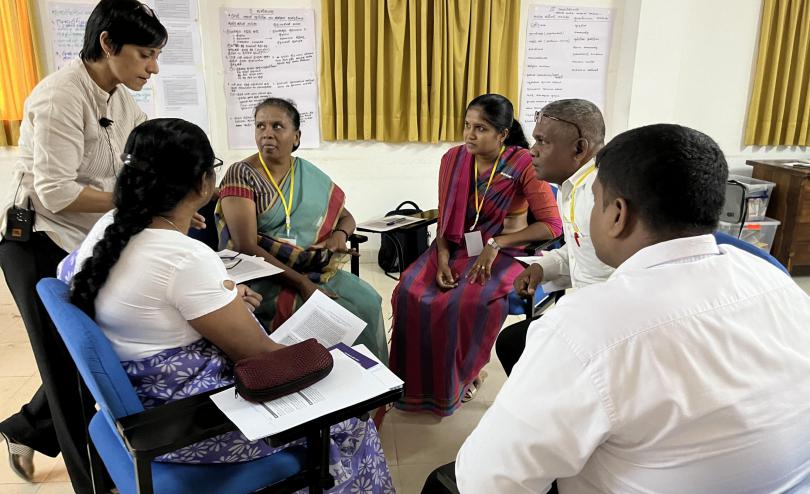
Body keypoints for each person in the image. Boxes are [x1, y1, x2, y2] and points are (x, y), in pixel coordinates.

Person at [452, 124, 810, 493]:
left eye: (597, 200)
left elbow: (487, 483)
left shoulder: (584, 329)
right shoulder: (772, 278)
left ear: (617, 214)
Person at [60, 118, 394, 492]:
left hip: (139, 401)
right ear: (204, 182)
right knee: (350, 422)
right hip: (186, 423)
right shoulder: (183, 256)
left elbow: (142, 293)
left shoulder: (110, 225)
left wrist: (222, 298)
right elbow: (264, 356)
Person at [0, 1, 166, 489]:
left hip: (84, 238)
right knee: (65, 370)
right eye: (145, 54)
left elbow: (143, 149)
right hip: (38, 244)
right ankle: (93, 482)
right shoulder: (60, 98)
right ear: (108, 44)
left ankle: (24, 429)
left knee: (90, 353)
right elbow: (56, 192)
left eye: (156, 55)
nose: (153, 68)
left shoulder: (119, 95)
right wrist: (138, 202)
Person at [388, 94, 563, 416]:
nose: (469, 135)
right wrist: (441, 257)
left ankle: (465, 376)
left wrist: (496, 244)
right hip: (455, 246)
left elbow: (551, 226)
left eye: (480, 128)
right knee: (408, 292)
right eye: (467, 126)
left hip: (507, 251)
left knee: (461, 302)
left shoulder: (523, 163)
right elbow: (446, 219)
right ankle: (413, 383)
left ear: (503, 133)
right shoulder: (453, 160)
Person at [216, 98, 388, 364]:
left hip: (313, 269)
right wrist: (303, 284)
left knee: (367, 302)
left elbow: (347, 217)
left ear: (295, 137)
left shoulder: (306, 173)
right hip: (266, 277)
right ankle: (331, 390)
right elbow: (245, 245)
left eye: (277, 126)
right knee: (336, 315)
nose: (267, 133)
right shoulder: (242, 174)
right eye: (260, 126)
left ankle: (374, 394)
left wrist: (337, 237)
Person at [496, 99, 614, 375]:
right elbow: (579, 247)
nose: (532, 151)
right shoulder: (571, 185)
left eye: (542, 141)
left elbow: (624, 276)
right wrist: (541, 267)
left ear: (579, 148)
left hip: (607, 324)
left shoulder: (600, 193)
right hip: (589, 312)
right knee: (514, 344)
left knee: (514, 345)